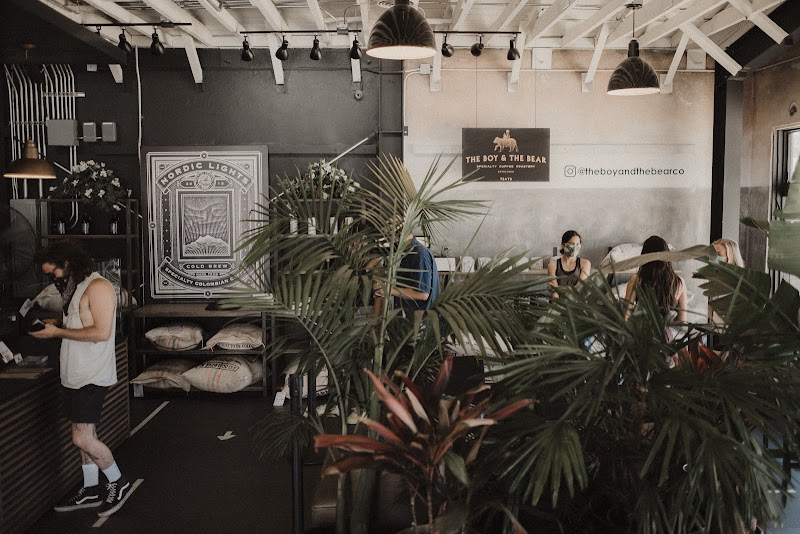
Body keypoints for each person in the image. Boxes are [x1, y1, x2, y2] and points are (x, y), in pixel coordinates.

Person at [29, 240, 132, 518]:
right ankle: (90, 489)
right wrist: (56, 325)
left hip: (91, 374)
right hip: (74, 373)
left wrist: (57, 333)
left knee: (81, 437)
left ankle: (119, 482)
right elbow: (80, 323)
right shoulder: (75, 287)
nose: (53, 279)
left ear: (67, 263)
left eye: (54, 273)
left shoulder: (98, 287)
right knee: (86, 434)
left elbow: (100, 332)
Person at [624, 235, 688, 325]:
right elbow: (682, 321)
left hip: (643, 331)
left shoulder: (636, 280)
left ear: (645, 256)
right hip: (667, 332)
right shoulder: (679, 282)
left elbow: (626, 314)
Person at [373, 233, 439, 313]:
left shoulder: (419, 255)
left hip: (419, 316)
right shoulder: (406, 253)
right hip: (407, 313)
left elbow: (422, 294)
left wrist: (389, 290)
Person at [547, 230, 591, 298]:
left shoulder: (585, 263)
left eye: (577, 244)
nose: (575, 247)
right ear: (563, 245)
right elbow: (555, 292)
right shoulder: (553, 265)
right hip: (559, 301)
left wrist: (558, 289)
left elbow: (580, 287)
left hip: (578, 300)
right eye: (571, 244)